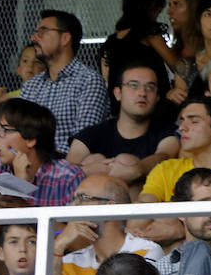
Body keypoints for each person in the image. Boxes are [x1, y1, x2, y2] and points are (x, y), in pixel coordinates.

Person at [0, 98, 83, 275]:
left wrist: (26, 209)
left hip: (52, 265)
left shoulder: (67, 175)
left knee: (13, 224)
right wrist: (15, 185)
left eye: (4, 131)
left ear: (31, 139)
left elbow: (82, 240)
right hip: (1, 267)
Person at [134, 97, 211, 247]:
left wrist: (177, 229)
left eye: (193, 121)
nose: (182, 127)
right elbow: (141, 209)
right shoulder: (165, 168)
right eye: (181, 121)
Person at [53, 175, 164, 275]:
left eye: (82, 198)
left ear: (110, 208)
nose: (73, 207)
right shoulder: (69, 260)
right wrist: (58, 246)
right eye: (73, 200)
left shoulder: (146, 251)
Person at [67, 57, 179, 188]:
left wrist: (137, 170)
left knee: (127, 161)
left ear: (157, 97)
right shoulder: (90, 135)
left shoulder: (168, 133)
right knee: (93, 160)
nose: (142, 93)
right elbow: (67, 173)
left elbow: (164, 156)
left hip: (142, 204)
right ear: (118, 93)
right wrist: (86, 171)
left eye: (150, 87)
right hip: (95, 204)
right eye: (133, 85)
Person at [21, 9, 111, 154]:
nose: (34, 38)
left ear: (65, 38)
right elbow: (17, 133)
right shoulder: (32, 85)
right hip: (26, 165)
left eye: (42, 32)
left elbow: (82, 143)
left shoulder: (89, 81)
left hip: (66, 168)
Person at [102, 0, 175, 95]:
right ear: (151, 6)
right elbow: (177, 67)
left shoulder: (112, 41)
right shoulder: (149, 35)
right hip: (151, 102)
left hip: (122, 105)